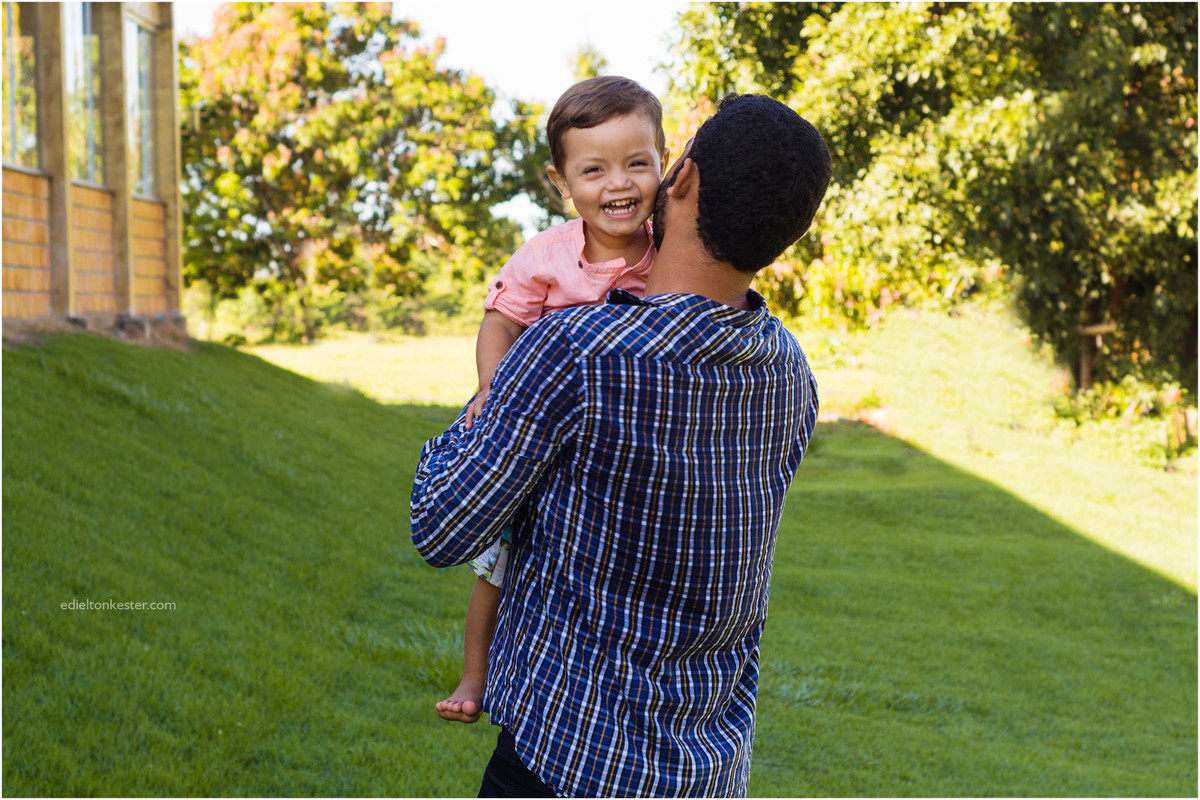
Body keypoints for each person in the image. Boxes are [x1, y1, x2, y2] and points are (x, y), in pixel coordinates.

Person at [411, 93, 832, 797]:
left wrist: (488, 400)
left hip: (565, 758)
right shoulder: (790, 374)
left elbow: (441, 526)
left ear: (683, 178)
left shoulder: (572, 352)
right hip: (705, 774)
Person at [436, 76, 670, 725]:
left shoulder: (669, 256)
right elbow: (500, 321)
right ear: (561, 181)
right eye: (593, 170)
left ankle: (599, 690)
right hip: (544, 442)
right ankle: (474, 677)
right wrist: (493, 387)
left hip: (619, 450)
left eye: (636, 164)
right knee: (498, 568)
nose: (618, 184)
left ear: (662, 164)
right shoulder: (547, 257)